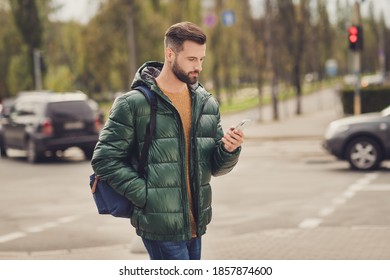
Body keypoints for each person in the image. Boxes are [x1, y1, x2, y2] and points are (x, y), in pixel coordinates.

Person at [91, 21, 244, 260]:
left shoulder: (206, 104)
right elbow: (104, 160)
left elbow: (215, 167)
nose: (198, 67)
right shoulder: (133, 104)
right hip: (160, 225)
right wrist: (147, 196)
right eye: (192, 59)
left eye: (201, 59)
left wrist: (228, 149)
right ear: (170, 54)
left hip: (196, 224)